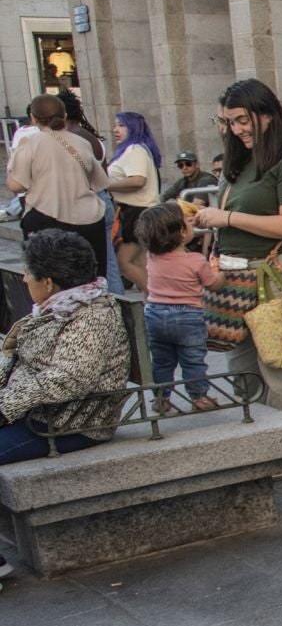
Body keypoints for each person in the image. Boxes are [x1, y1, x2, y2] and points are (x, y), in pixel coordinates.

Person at [191, 80, 282, 471]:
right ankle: (264, 442)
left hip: (273, 274)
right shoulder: (242, 160)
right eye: (228, 122)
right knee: (242, 367)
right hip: (236, 276)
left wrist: (226, 217)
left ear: (266, 115)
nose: (236, 129)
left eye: (241, 120)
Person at [0, 229, 128, 477]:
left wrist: (4, 406)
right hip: (35, 414)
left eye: (28, 273)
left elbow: (68, 378)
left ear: (48, 282)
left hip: (68, 423)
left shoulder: (93, 317)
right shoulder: (61, 306)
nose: (25, 279)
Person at [7, 95, 110, 279]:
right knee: (91, 277)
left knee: (49, 279)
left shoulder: (30, 143)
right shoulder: (82, 142)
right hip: (88, 218)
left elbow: (16, 184)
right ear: (64, 116)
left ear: (33, 118)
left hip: (47, 214)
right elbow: (100, 181)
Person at [134, 202, 219, 413]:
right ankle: (199, 397)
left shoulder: (151, 257)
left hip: (154, 314)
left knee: (162, 361)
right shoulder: (196, 261)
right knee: (193, 360)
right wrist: (223, 272)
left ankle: (161, 399)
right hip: (188, 316)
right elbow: (213, 284)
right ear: (182, 232)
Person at [107, 111, 163, 291]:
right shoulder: (132, 149)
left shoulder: (135, 150)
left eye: (121, 125)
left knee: (124, 262)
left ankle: (156, 298)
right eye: (115, 125)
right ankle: (152, 300)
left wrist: (106, 185)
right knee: (141, 262)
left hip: (137, 211)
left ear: (134, 127)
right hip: (134, 209)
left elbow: (138, 180)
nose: (116, 129)